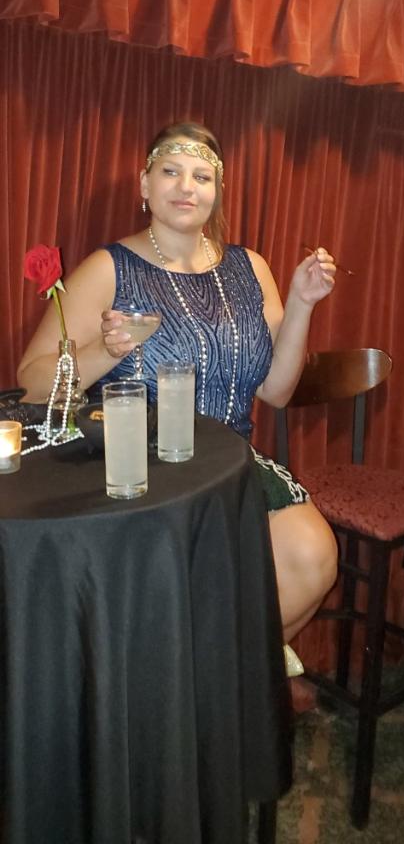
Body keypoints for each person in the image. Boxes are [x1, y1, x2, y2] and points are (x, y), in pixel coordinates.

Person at [18, 121, 338, 676]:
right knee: (180, 597)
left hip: (229, 461)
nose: (186, 187)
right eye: (170, 171)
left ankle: (219, 684)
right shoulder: (109, 267)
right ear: (145, 185)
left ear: (217, 191)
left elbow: (276, 391)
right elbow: (30, 380)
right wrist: (105, 351)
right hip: (140, 469)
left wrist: (303, 303)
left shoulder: (251, 268)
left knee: (312, 558)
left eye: (202, 176)